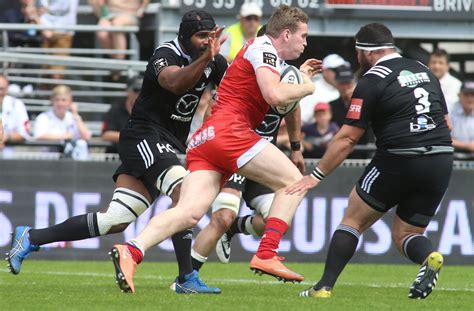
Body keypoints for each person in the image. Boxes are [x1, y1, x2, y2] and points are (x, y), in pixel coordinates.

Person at [7, 9, 228, 294]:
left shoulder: (214, 61)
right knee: (184, 195)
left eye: (211, 37)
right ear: (184, 36)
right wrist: (207, 59)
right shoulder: (165, 54)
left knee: (115, 220)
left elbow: (233, 93)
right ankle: (186, 277)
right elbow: (175, 83)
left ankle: (31, 236)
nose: (206, 42)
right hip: (143, 135)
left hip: (168, 143)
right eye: (201, 36)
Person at [109, 5, 321, 294]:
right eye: (303, 36)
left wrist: (299, 76)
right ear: (286, 34)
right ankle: (267, 252)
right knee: (295, 183)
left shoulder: (267, 56)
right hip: (231, 132)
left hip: (207, 137)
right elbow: (275, 95)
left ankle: (131, 251)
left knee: (188, 212)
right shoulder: (264, 47)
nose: (306, 42)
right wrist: (307, 86)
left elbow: (281, 95)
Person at [287, 23, 453, 300]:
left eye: (357, 52)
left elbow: (348, 138)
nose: (357, 59)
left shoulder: (371, 79)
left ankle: (323, 287)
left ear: (367, 52)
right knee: (406, 234)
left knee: (352, 220)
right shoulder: (423, 70)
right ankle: (430, 255)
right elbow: (446, 123)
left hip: (399, 158)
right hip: (441, 159)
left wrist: (316, 176)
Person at [192, 82, 306, 269]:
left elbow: (294, 106)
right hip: (235, 154)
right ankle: (188, 277)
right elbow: (212, 109)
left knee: (279, 221)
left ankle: (235, 228)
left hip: (263, 160)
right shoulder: (242, 76)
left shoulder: (283, 77)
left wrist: (295, 147)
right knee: (223, 217)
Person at [89, 0, 150, 81]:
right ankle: (118, 63)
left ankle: (118, 66)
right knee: (101, 33)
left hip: (130, 13)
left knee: (117, 24)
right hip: (109, 14)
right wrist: (102, 12)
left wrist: (141, 9)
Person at [33, 85, 91, 159]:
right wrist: (65, 136)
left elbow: (86, 136)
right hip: (49, 160)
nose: (60, 103)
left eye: (64, 100)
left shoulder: (73, 117)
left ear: (70, 102)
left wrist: (75, 114)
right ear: (52, 101)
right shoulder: (44, 117)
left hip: (73, 162)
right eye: (57, 100)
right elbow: (39, 136)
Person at [299, 54, 347, 125]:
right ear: (325, 71)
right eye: (336, 70)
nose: (340, 73)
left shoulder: (347, 88)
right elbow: (302, 120)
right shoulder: (313, 89)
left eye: (343, 69)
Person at [38, 0, 79, 80]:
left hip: (64, 32)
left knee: (57, 74)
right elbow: (40, 7)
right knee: (45, 73)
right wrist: (42, 26)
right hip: (45, 29)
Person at [101, 75, 142, 153]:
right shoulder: (116, 109)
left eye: (142, 91)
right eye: (136, 90)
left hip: (141, 158)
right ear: (128, 91)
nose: (139, 94)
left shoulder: (149, 111)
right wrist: (131, 137)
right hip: (116, 156)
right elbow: (106, 134)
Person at [0, 74, 31, 152]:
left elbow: (25, 132)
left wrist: (7, 137)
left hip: (10, 156)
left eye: (2, 89)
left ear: (7, 89)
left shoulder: (17, 105)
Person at [450, 80, 474, 154]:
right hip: (453, 154)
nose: (470, 98)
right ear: (459, 95)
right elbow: (443, 138)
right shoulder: (449, 111)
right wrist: (466, 145)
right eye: (466, 94)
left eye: (473, 95)